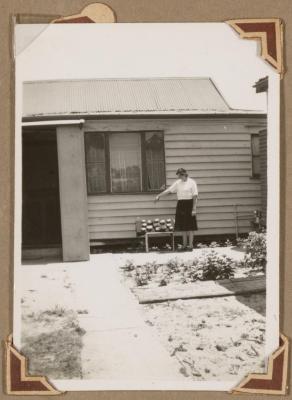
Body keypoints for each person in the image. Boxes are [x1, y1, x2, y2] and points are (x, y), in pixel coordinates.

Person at [155, 168, 198, 251]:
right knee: (183, 226)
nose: (179, 176)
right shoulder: (178, 183)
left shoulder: (192, 182)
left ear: (184, 174)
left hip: (190, 204)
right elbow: (169, 190)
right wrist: (159, 195)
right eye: (178, 175)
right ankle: (184, 245)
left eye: (180, 175)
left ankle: (191, 246)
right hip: (181, 205)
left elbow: (195, 196)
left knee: (190, 227)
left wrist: (194, 209)